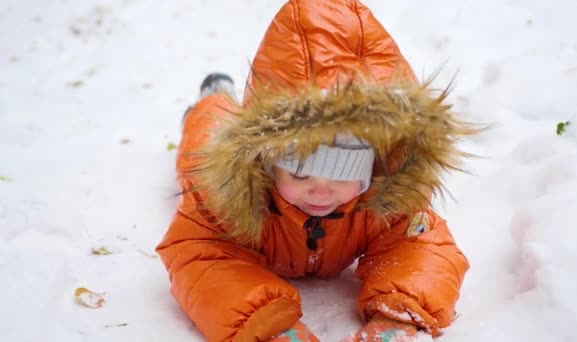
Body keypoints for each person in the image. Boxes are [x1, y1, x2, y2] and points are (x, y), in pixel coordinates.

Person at [156, 0, 478, 341]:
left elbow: (424, 248)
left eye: (342, 176)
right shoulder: (227, 196)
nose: (321, 191)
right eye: (299, 174)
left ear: (373, 168)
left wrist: (400, 315)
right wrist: (264, 323)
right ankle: (213, 97)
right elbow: (201, 255)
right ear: (266, 163)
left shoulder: (386, 201)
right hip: (221, 156)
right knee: (208, 137)